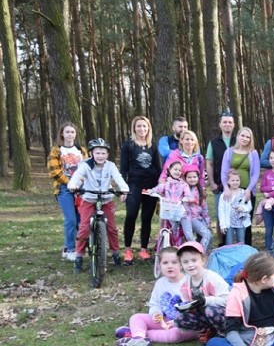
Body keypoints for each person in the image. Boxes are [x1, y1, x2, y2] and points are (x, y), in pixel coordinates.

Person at [114, 247, 199, 346]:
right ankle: (139, 338)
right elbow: (154, 304)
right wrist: (156, 314)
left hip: (186, 323)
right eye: (165, 263)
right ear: (159, 266)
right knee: (136, 318)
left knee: (175, 334)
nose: (170, 266)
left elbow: (195, 307)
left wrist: (177, 321)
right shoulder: (160, 283)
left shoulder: (189, 281)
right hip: (165, 320)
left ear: (181, 265)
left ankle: (136, 334)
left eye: (174, 262)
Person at [67, 138, 130, 273]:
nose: (100, 156)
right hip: (89, 198)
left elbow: (118, 178)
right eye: (97, 153)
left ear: (107, 155)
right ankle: (78, 256)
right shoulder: (85, 165)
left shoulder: (110, 165)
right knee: (84, 228)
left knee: (112, 228)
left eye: (103, 153)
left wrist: (124, 189)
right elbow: (76, 176)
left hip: (106, 198)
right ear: (91, 154)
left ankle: (115, 253)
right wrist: (73, 185)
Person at [120, 115, 161, 264]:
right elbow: (123, 168)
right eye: (139, 126)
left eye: (144, 126)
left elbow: (158, 168)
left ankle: (143, 249)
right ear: (134, 128)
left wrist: (160, 186)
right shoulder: (128, 146)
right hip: (134, 185)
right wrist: (123, 189)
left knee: (147, 217)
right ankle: (128, 249)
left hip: (150, 186)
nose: (142, 129)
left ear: (148, 128)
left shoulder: (153, 145)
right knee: (131, 215)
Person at [172, 241, 230, 340]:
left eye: (194, 260)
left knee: (210, 310)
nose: (190, 265)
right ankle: (208, 330)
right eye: (185, 262)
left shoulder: (212, 278)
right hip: (202, 315)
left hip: (222, 313)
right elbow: (188, 303)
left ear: (203, 260)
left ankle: (225, 333)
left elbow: (228, 300)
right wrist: (185, 307)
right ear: (181, 264)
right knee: (179, 319)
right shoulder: (185, 282)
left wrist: (206, 300)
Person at [48, 122, 87, 261]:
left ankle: (68, 246)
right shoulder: (57, 150)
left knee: (79, 220)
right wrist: (70, 183)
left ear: (75, 134)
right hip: (64, 189)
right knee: (70, 219)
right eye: (67, 132)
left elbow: (87, 167)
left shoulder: (81, 150)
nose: (70, 134)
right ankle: (71, 250)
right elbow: (55, 171)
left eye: (72, 132)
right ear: (62, 134)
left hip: (80, 189)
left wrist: (82, 183)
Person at [221, 127, 260, 246]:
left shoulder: (253, 153)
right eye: (243, 136)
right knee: (228, 218)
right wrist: (226, 188)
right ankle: (227, 247)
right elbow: (224, 172)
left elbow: (255, 173)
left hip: (246, 190)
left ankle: (246, 247)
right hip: (231, 190)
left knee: (245, 220)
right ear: (237, 136)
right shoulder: (229, 152)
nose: (245, 139)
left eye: (248, 137)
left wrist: (248, 189)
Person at [144, 159, 194, 242]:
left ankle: (195, 250)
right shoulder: (166, 184)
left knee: (189, 235)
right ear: (169, 170)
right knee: (172, 233)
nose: (177, 172)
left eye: (179, 170)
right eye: (175, 169)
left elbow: (188, 194)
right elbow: (158, 189)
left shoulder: (183, 184)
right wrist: (151, 191)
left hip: (182, 212)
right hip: (170, 212)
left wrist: (189, 198)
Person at [206, 110, 236, 245]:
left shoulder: (239, 140)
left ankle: (236, 242)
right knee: (220, 216)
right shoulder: (213, 143)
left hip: (237, 185)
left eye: (230, 122)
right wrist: (211, 182)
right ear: (220, 124)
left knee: (236, 214)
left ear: (234, 124)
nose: (227, 124)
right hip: (219, 186)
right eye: (225, 122)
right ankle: (222, 243)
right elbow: (210, 163)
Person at [181, 164, 212, 251]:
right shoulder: (181, 189)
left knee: (207, 234)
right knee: (190, 237)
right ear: (185, 178)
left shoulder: (199, 190)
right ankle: (191, 254)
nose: (192, 179)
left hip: (196, 218)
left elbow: (204, 207)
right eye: (189, 177)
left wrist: (207, 221)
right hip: (185, 217)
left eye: (194, 177)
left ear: (198, 178)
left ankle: (200, 253)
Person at [219, 170, 252, 245]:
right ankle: (229, 255)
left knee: (241, 242)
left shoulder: (244, 193)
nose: (235, 182)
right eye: (233, 180)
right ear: (228, 182)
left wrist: (243, 208)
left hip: (240, 223)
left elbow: (249, 206)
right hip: (229, 223)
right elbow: (221, 210)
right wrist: (223, 225)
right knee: (229, 242)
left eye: (237, 180)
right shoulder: (225, 195)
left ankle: (241, 256)